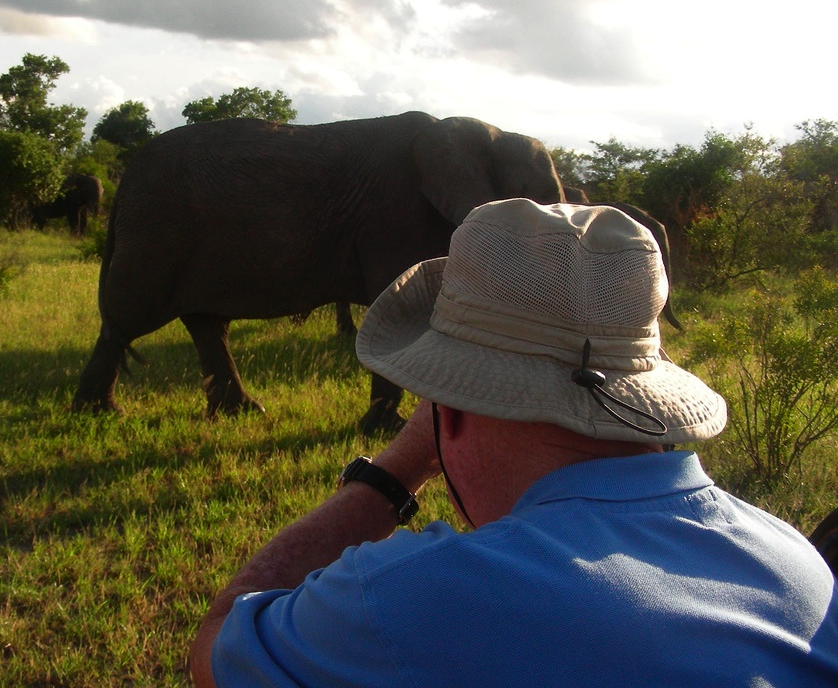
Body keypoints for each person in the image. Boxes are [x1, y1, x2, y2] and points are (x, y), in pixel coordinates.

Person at [190, 199, 838, 687]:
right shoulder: (796, 563)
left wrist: (398, 467)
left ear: (453, 404)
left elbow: (217, 646)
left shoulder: (420, 596)